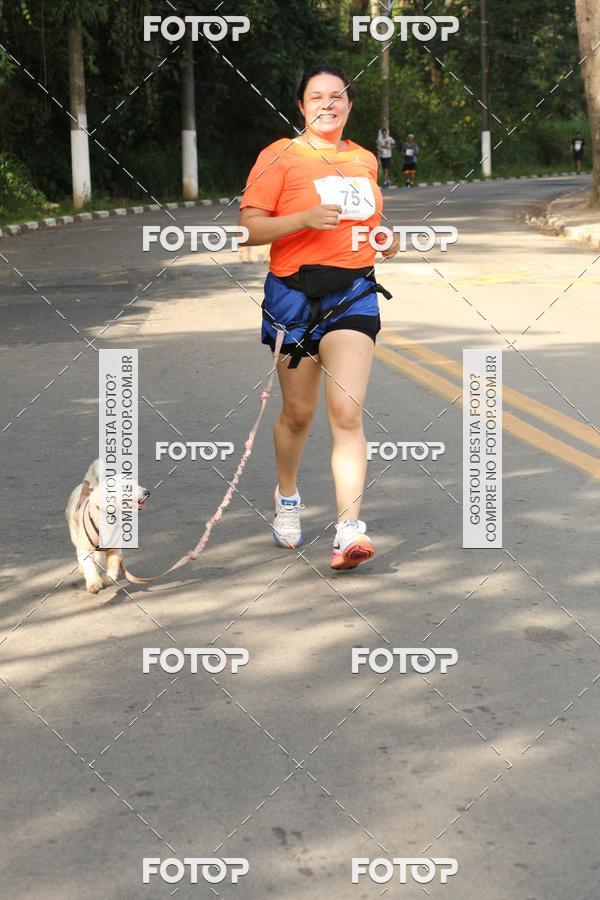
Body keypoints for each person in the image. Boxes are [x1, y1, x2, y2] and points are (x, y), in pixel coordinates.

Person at [239, 64, 399, 570]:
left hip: (353, 294)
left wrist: (384, 238)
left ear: (349, 106)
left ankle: (349, 529)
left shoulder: (364, 159)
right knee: (299, 414)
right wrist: (303, 220)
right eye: (317, 97)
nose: (328, 104)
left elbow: (369, 220)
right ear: (302, 106)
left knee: (347, 412)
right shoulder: (279, 157)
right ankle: (287, 495)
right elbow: (249, 228)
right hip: (293, 296)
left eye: (337, 97)